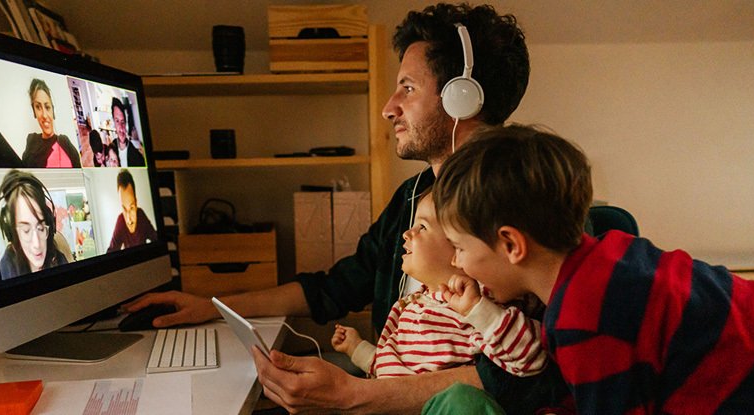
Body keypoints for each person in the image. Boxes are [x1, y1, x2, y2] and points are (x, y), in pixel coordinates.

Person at [122, 4, 564, 413]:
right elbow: (335, 287)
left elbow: (532, 375)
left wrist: (357, 395)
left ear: (460, 97)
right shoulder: (411, 198)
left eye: (407, 88)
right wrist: (212, 306)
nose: (389, 108)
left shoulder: (529, 204)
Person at [431, 124, 754, 413]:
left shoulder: (585, 316)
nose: (456, 262)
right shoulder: (605, 254)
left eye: (458, 247)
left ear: (511, 243)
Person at [332, 190, 545, 379]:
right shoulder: (408, 306)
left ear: (458, 245)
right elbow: (391, 370)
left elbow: (531, 357)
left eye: (422, 226)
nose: (407, 233)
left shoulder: (476, 304)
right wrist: (356, 348)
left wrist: (478, 310)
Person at [0, 169, 69, 279]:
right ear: (12, 232)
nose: (37, 244)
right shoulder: (6, 270)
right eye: (26, 231)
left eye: (40, 228)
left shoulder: (59, 259)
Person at [21, 79, 81, 168]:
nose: (44, 115)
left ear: (53, 110)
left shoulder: (65, 143)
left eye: (47, 107)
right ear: (34, 111)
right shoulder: (31, 140)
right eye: (38, 107)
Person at [107, 169, 157, 252]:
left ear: (136, 203)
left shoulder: (141, 215)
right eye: (124, 209)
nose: (128, 219)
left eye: (131, 208)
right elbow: (111, 251)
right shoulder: (120, 220)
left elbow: (156, 238)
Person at [110, 97, 145, 167]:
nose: (121, 127)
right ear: (113, 122)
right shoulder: (111, 148)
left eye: (123, 121)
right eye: (117, 121)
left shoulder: (136, 152)